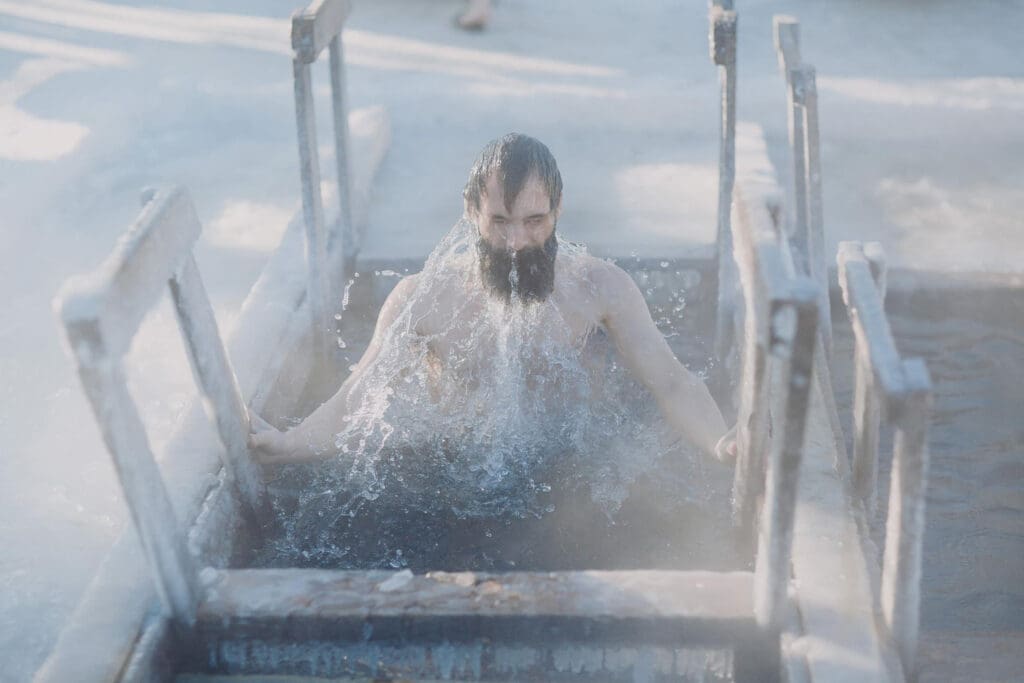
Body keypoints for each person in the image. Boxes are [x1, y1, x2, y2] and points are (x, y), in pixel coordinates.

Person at [251, 133, 736, 467]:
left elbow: (674, 384)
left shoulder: (599, 289)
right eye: (499, 221)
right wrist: (289, 444)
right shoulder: (423, 300)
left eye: (535, 220)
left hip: (579, 468)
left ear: (559, 209)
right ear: (471, 212)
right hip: (462, 471)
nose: (516, 241)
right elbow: (357, 397)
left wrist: (721, 445)